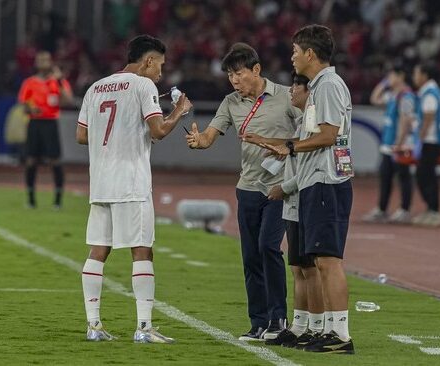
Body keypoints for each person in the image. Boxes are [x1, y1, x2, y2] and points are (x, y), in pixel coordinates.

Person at [76, 35, 192, 343]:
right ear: (149, 61)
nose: (160, 75)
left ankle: (94, 326)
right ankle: (144, 328)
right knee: (142, 250)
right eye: (160, 67)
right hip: (131, 182)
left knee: (98, 250)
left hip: (100, 182)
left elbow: (80, 135)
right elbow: (159, 131)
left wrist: (117, 135)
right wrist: (179, 110)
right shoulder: (143, 85)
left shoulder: (95, 88)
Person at [185, 43, 300, 341]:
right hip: (247, 188)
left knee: (268, 248)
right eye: (230, 75)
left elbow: (306, 137)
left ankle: (278, 319)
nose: (234, 80)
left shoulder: (287, 96)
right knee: (250, 256)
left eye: (238, 73)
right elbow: (210, 136)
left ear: (256, 69)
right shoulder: (230, 102)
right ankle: (258, 322)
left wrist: (283, 147)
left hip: (278, 188)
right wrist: (199, 141)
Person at [259, 24, 355, 354]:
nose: (292, 57)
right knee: (316, 260)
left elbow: (329, 135)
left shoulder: (327, 86)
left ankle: (339, 334)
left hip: (326, 181)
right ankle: (326, 329)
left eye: (296, 51)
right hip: (319, 180)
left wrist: (291, 147)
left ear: (310, 54)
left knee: (327, 261)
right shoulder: (321, 86)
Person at [244, 72, 326, 348]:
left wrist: (285, 187)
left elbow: (308, 162)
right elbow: (290, 149)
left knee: (312, 268)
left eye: (295, 87)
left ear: (307, 91)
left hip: (300, 197)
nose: (291, 91)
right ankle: (301, 326)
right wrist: (264, 143)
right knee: (299, 268)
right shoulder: (303, 124)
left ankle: (318, 327)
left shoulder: (312, 126)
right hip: (293, 201)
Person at [18, 51, 73, 209]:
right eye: (40, 60)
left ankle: (57, 200)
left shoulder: (57, 82)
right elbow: (24, 104)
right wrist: (30, 109)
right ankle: (31, 199)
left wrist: (60, 80)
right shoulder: (29, 82)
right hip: (34, 123)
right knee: (30, 161)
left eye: (46, 60)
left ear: (51, 62)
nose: (43, 62)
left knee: (55, 160)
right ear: (36, 63)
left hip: (50, 122)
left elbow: (68, 101)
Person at [363, 66, 416, 224]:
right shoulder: (393, 95)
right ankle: (382, 209)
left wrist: (399, 143)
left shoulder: (406, 96)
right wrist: (384, 83)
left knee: (404, 177)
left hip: (400, 146)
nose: (389, 79)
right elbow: (374, 99)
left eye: (391, 76)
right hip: (388, 145)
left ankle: (404, 210)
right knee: (385, 177)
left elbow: (406, 120)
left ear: (400, 76)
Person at [412, 62, 440, 227]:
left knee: (426, 176)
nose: (415, 77)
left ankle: (434, 211)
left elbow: (429, 116)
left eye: (417, 73)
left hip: (430, 141)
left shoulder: (430, 93)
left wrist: (420, 138)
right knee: (424, 175)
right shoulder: (429, 91)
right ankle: (430, 209)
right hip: (430, 140)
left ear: (425, 75)